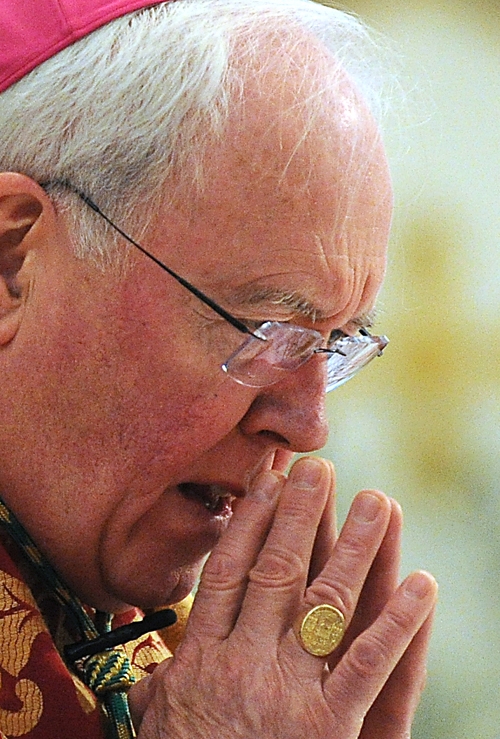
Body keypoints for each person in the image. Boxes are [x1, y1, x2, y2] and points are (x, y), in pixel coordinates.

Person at [0, 0, 438, 737]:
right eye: (267, 329)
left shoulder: (187, 661)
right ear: (14, 262)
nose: (306, 426)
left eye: (336, 344)